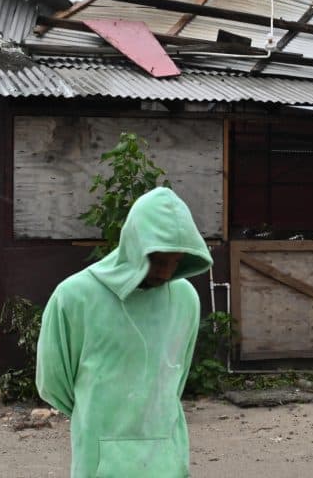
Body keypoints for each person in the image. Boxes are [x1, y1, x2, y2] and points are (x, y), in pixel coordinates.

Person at [36, 187, 213, 477]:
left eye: (176, 261)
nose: (166, 272)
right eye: (157, 259)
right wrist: (99, 419)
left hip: (167, 457)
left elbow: (176, 377)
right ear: (134, 245)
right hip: (100, 459)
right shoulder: (75, 296)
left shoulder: (185, 299)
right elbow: (53, 383)